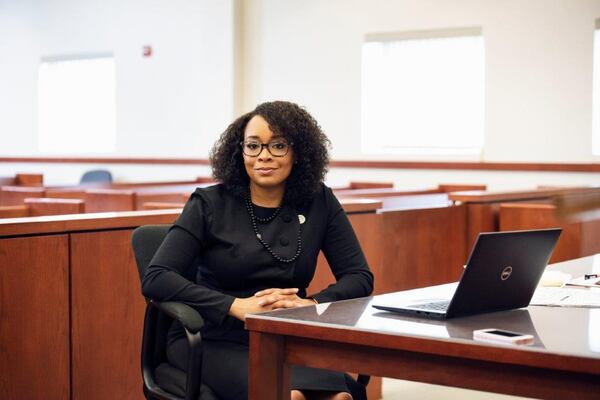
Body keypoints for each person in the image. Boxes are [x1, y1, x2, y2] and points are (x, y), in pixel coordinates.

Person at [142, 100, 374, 400]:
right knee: (289, 396)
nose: (263, 156)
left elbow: (359, 276)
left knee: (342, 397)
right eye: (253, 146)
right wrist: (234, 306)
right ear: (240, 152)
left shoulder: (320, 201)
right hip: (213, 337)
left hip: (283, 337)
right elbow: (157, 276)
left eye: (277, 145)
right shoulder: (209, 203)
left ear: (298, 152)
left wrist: (312, 303)